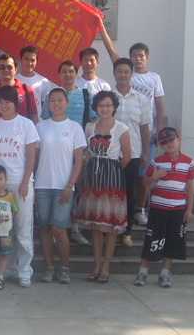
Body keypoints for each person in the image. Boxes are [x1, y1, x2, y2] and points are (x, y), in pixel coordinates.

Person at [99, 23, 165, 225]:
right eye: (134, 55)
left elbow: (159, 105)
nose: (137, 59)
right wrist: (101, 28)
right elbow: (112, 53)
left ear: (147, 57)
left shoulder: (154, 78)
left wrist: (158, 129)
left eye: (141, 55)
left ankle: (139, 209)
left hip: (142, 133)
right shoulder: (124, 77)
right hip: (116, 143)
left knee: (143, 174)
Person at [0, 85, 39, 287]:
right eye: (0, 102)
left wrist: (25, 182)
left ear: (15, 103)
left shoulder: (26, 124)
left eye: (7, 102)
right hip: (0, 187)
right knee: (4, 230)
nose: (3, 106)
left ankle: (24, 271)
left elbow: (32, 156)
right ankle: (7, 269)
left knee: (23, 230)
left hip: (21, 183)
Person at [78, 90, 131, 284]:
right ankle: (96, 265)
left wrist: (111, 170)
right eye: (101, 105)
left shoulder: (122, 128)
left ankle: (106, 266)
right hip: (92, 178)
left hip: (112, 179)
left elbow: (126, 157)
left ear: (114, 107)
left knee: (110, 227)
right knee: (95, 226)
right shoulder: (90, 127)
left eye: (108, 105)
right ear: (96, 107)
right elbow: (85, 153)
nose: (105, 109)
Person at [35, 88, 86, 284]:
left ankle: (64, 268)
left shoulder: (74, 128)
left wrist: (70, 185)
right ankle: (49, 267)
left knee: (59, 228)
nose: (56, 104)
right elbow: (35, 157)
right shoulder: (40, 127)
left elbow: (79, 161)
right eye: (52, 100)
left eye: (60, 100)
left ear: (66, 102)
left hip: (64, 186)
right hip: (42, 185)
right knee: (45, 228)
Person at [134, 128, 194, 288]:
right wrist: (154, 177)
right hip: (158, 209)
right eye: (164, 142)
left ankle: (164, 273)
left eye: (171, 140)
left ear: (179, 139)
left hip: (178, 210)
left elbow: (190, 187)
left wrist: (189, 210)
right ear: (161, 145)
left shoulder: (188, 162)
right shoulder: (156, 162)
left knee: (172, 242)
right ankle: (142, 272)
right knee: (151, 240)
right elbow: (144, 182)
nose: (169, 144)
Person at [43, 60, 96, 246]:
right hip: (57, 151)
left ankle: (74, 228)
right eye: (64, 71)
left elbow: (91, 122)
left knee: (77, 189)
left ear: (76, 74)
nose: (67, 75)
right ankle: (57, 228)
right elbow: (47, 121)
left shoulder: (85, 95)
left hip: (78, 149)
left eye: (71, 71)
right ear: (59, 75)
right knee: (57, 189)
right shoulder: (53, 96)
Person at [112, 58, 152, 248]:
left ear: (131, 74)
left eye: (126, 72)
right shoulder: (108, 97)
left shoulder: (141, 99)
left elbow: (144, 128)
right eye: (119, 71)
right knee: (111, 193)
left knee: (129, 194)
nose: (122, 75)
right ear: (114, 73)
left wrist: (145, 153)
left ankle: (126, 231)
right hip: (111, 154)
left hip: (133, 154)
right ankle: (110, 229)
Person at [0, 54, 38, 125]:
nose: (6, 70)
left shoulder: (27, 90)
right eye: (2, 67)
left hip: (22, 131)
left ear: (15, 69)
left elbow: (34, 115)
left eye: (9, 67)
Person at [16, 45, 51, 121]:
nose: (29, 63)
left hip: (37, 124)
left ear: (36, 61)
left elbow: (46, 107)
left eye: (32, 60)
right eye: (26, 59)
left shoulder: (43, 81)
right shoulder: (14, 80)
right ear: (21, 59)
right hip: (17, 123)